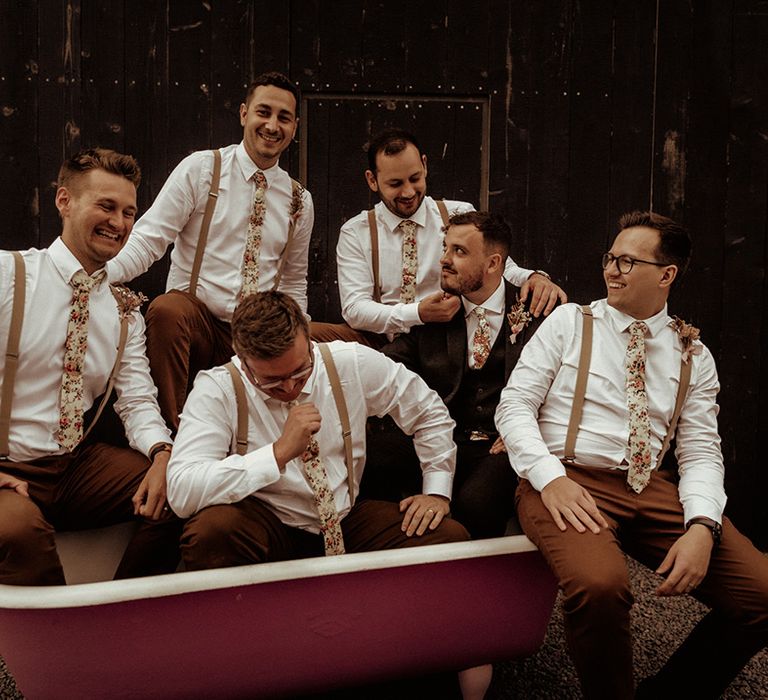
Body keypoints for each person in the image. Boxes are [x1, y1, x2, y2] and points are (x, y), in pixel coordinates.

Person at [495, 211, 768, 699]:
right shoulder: (569, 323)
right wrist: (548, 477)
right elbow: (514, 405)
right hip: (566, 478)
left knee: (763, 595)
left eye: (627, 261)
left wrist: (703, 526)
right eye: (610, 258)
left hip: (652, 486)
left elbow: (702, 449)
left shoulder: (693, 355)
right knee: (600, 587)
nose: (612, 270)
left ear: (667, 275)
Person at [166, 290, 469, 570]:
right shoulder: (218, 389)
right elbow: (182, 490)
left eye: (300, 371)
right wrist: (276, 454)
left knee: (448, 538)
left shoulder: (349, 362)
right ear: (243, 360)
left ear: (308, 339)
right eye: (271, 380)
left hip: (344, 521)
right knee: (211, 532)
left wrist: (436, 491)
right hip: (268, 526)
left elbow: (428, 411)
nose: (289, 387)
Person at [0, 148, 180, 586]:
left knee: (183, 490)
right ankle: (57, 646)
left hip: (73, 468)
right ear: (64, 201)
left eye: (129, 212)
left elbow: (137, 401)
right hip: (7, 464)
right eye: (106, 206)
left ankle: (120, 618)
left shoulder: (124, 312)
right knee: (16, 530)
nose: (118, 223)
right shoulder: (9, 274)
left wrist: (161, 454)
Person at [106, 71, 314, 432]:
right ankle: (169, 440)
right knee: (167, 309)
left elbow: (294, 280)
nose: (272, 125)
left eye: (283, 117)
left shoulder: (300, 200)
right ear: (244, 114)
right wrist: (95, 274)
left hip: (255, 332)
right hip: (198, 320)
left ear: (294, 127)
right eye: (264, 112)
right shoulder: (203, 169)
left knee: (328, 341)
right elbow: (150, 238)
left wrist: (297, 336)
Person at [311, 128, 566, 346]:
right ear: (372, 180)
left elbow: (497, 267)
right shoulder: (356, 231)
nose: (409, 191)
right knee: (304, 336)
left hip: (446, 339)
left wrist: (533, 277)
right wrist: (418, 313)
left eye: (415, 178)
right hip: (378, 341)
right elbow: (355, 310)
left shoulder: (459, 213)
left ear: (424, 164)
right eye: (395, 184)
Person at [376, 211, 541, 539]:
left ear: (494, 264)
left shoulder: (537, 312)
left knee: (476, 504)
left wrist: (525, 430)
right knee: (372, 460)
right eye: (445, 248)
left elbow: (562, 384)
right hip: (444, 437)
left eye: (459, 252)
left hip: (501, 444)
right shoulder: (438, 311)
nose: (444, 260)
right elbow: (386, 365)